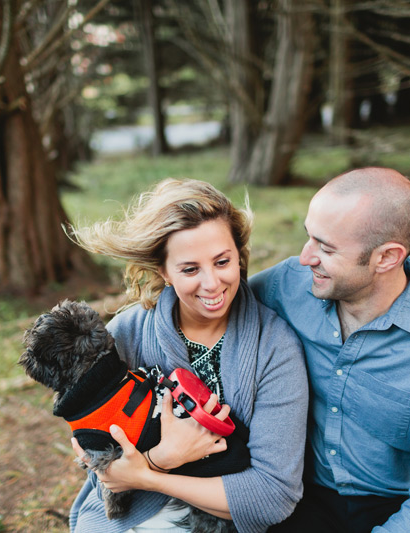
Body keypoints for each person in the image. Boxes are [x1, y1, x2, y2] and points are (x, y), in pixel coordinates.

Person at [250, 167, 410, 532]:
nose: (305, 258)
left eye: (326, 247)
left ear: (386, 257)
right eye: (309, 238)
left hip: (394, 509)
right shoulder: (283, 287)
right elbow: (205, 311)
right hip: (293, 492)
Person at [66, 178, 309, 533]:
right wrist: (163, 457)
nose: (212, 284)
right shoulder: (126, 333)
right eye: (190, 269)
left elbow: (272, 495)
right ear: (163, 271)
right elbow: (96, 457)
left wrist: (150, 476)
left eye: (223, 261)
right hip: (130, 520)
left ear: (239, 255)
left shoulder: (275, 348)